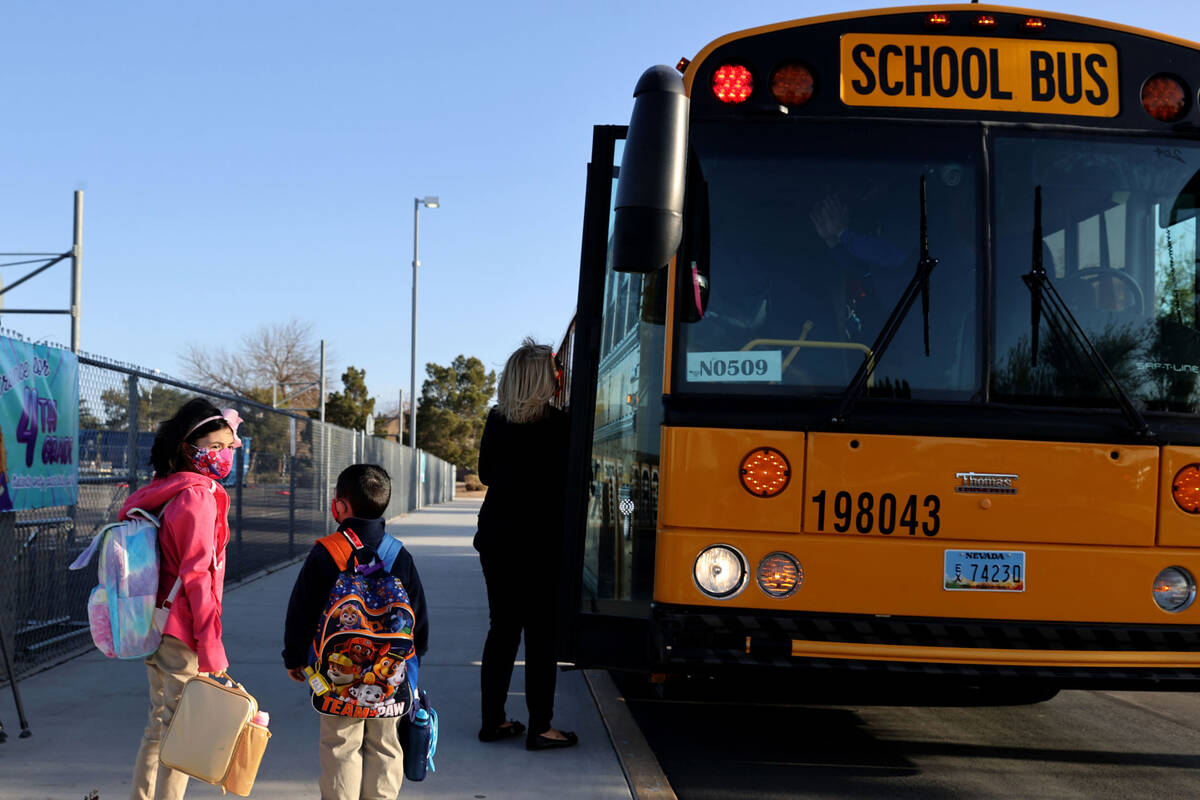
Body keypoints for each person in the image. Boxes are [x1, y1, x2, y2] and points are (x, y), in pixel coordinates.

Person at [282, 463, 429, 800]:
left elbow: (301, 611)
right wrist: (415, 660)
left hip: (336, 677)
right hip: (391, 676)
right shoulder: (398, 554)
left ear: (342, 506)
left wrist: (294, 656)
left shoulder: (326, 552)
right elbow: (418, 615)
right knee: (386, 746)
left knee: (340, 746)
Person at [125, 398, 243, 800]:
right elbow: (198, 576)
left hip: (155, 621)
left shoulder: (167, 489)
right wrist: (211, 646)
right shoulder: (197, 498)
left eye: (229, 447)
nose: (225, 456)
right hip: (182, 629)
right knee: (181, 731)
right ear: (188, 448)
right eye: (215, 447)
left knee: (159, 724)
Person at [475, 338, 577, 751]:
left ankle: (493, 721)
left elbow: (484, 474)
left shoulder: (496, 421)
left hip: (498, 538)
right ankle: (541, 727)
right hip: (543, 544)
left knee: (502, 630)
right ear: (544, 381)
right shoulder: (562, 426)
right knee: (540, 637)